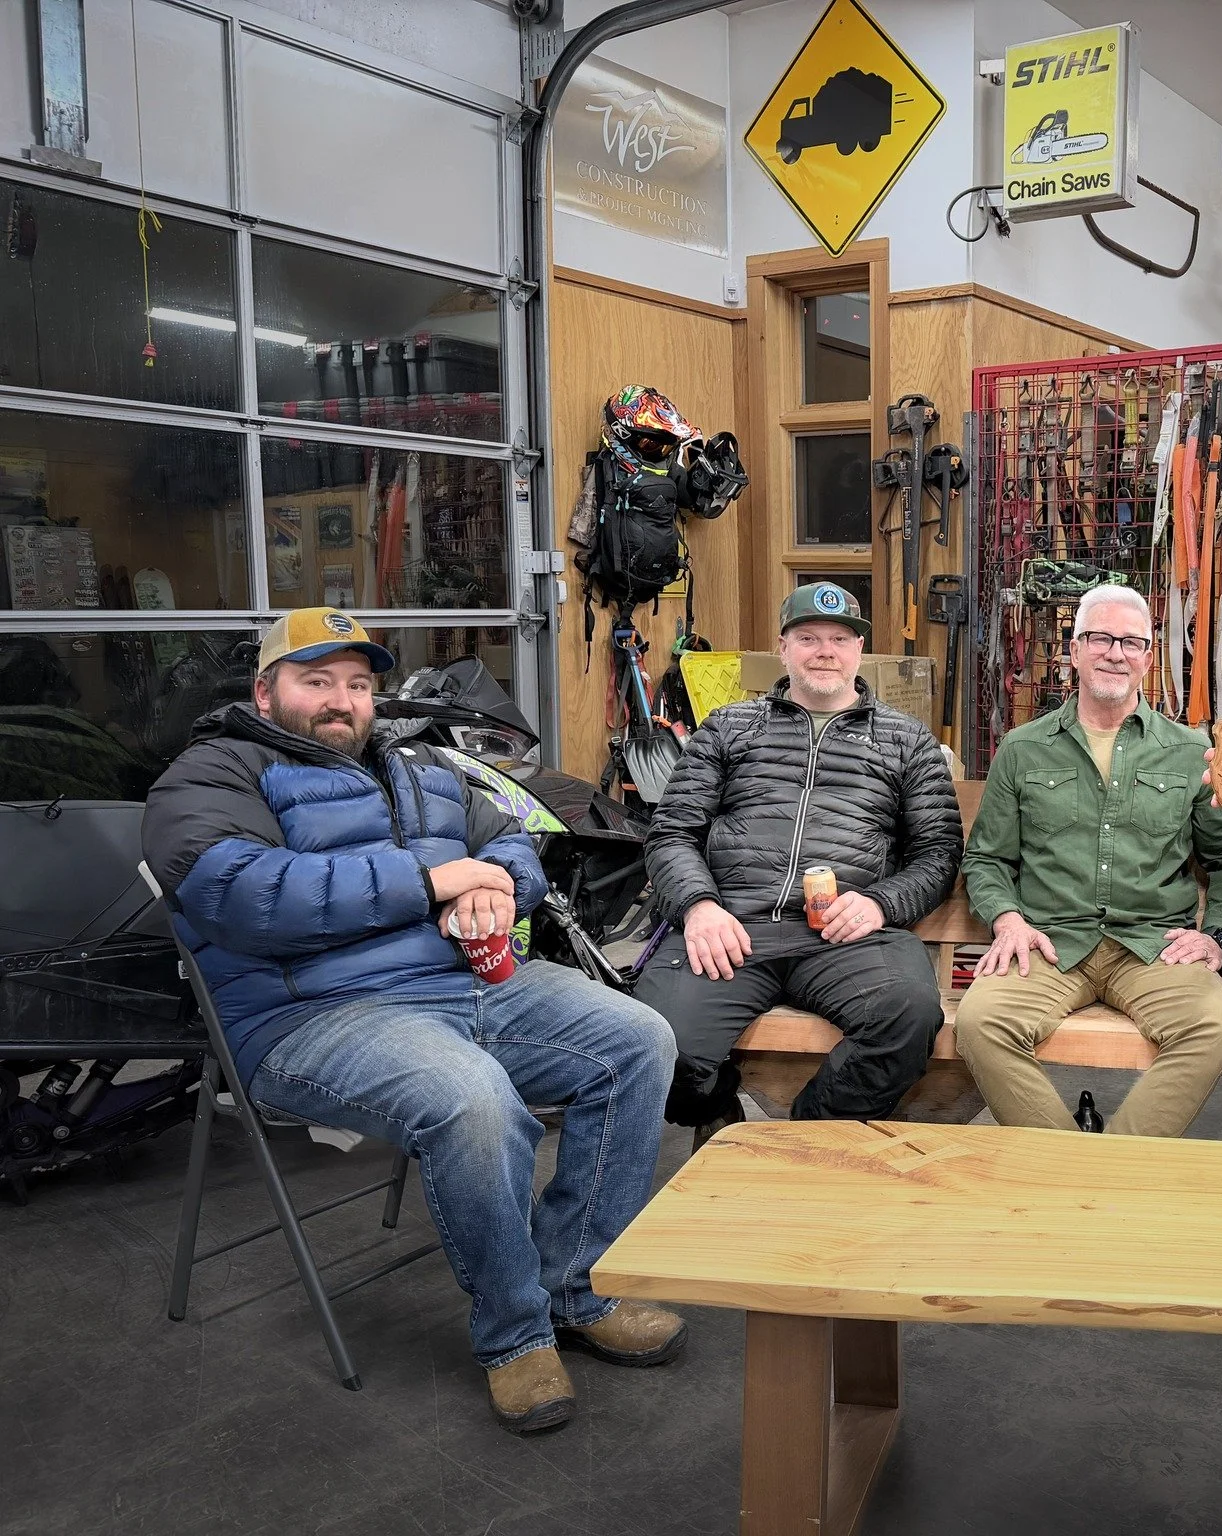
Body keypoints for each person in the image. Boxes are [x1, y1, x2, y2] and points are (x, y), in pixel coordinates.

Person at [142, 608, 683, 1436]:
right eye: (315, 680)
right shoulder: (210, 776)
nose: (341, 701)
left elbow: (513, 844)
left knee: (637, 1040)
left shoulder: (420, 764)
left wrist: (492, 885)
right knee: (473, 1097)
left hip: (468, 987)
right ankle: (515, 1335)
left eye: (358, 685)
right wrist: (437, 874)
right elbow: (248, 898)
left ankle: (577, 1285)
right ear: (264, 690)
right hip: (312, 1014)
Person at [636, 582, 961, 1129]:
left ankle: (807, 1137)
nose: (824, 650)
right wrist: (698, 906)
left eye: (840, 638)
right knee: (657, 1045)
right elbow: (671, 833)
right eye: (807, 637)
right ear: (783, 648)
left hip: (848, 936)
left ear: (860, 651)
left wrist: (880, 904)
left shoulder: (908, 741)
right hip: (733, 927)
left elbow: (938, 853)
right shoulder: (730, 728)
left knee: (908, 1016)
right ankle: (720, 1112)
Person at [955, 584, 1222, 1136]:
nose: (1114, 653)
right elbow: (986, 858)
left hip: (1151, 948)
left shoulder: (1191, 751)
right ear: (1074, 650)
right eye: (1099, 638)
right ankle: (1068, 1160)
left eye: (1131, 642)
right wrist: (1007, 919)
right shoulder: (1023, 749)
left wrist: (1215, 935)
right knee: (980, 1023)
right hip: (1049, 943)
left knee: (1214, 1028)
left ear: (1148, 656)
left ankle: (1108, 1161)